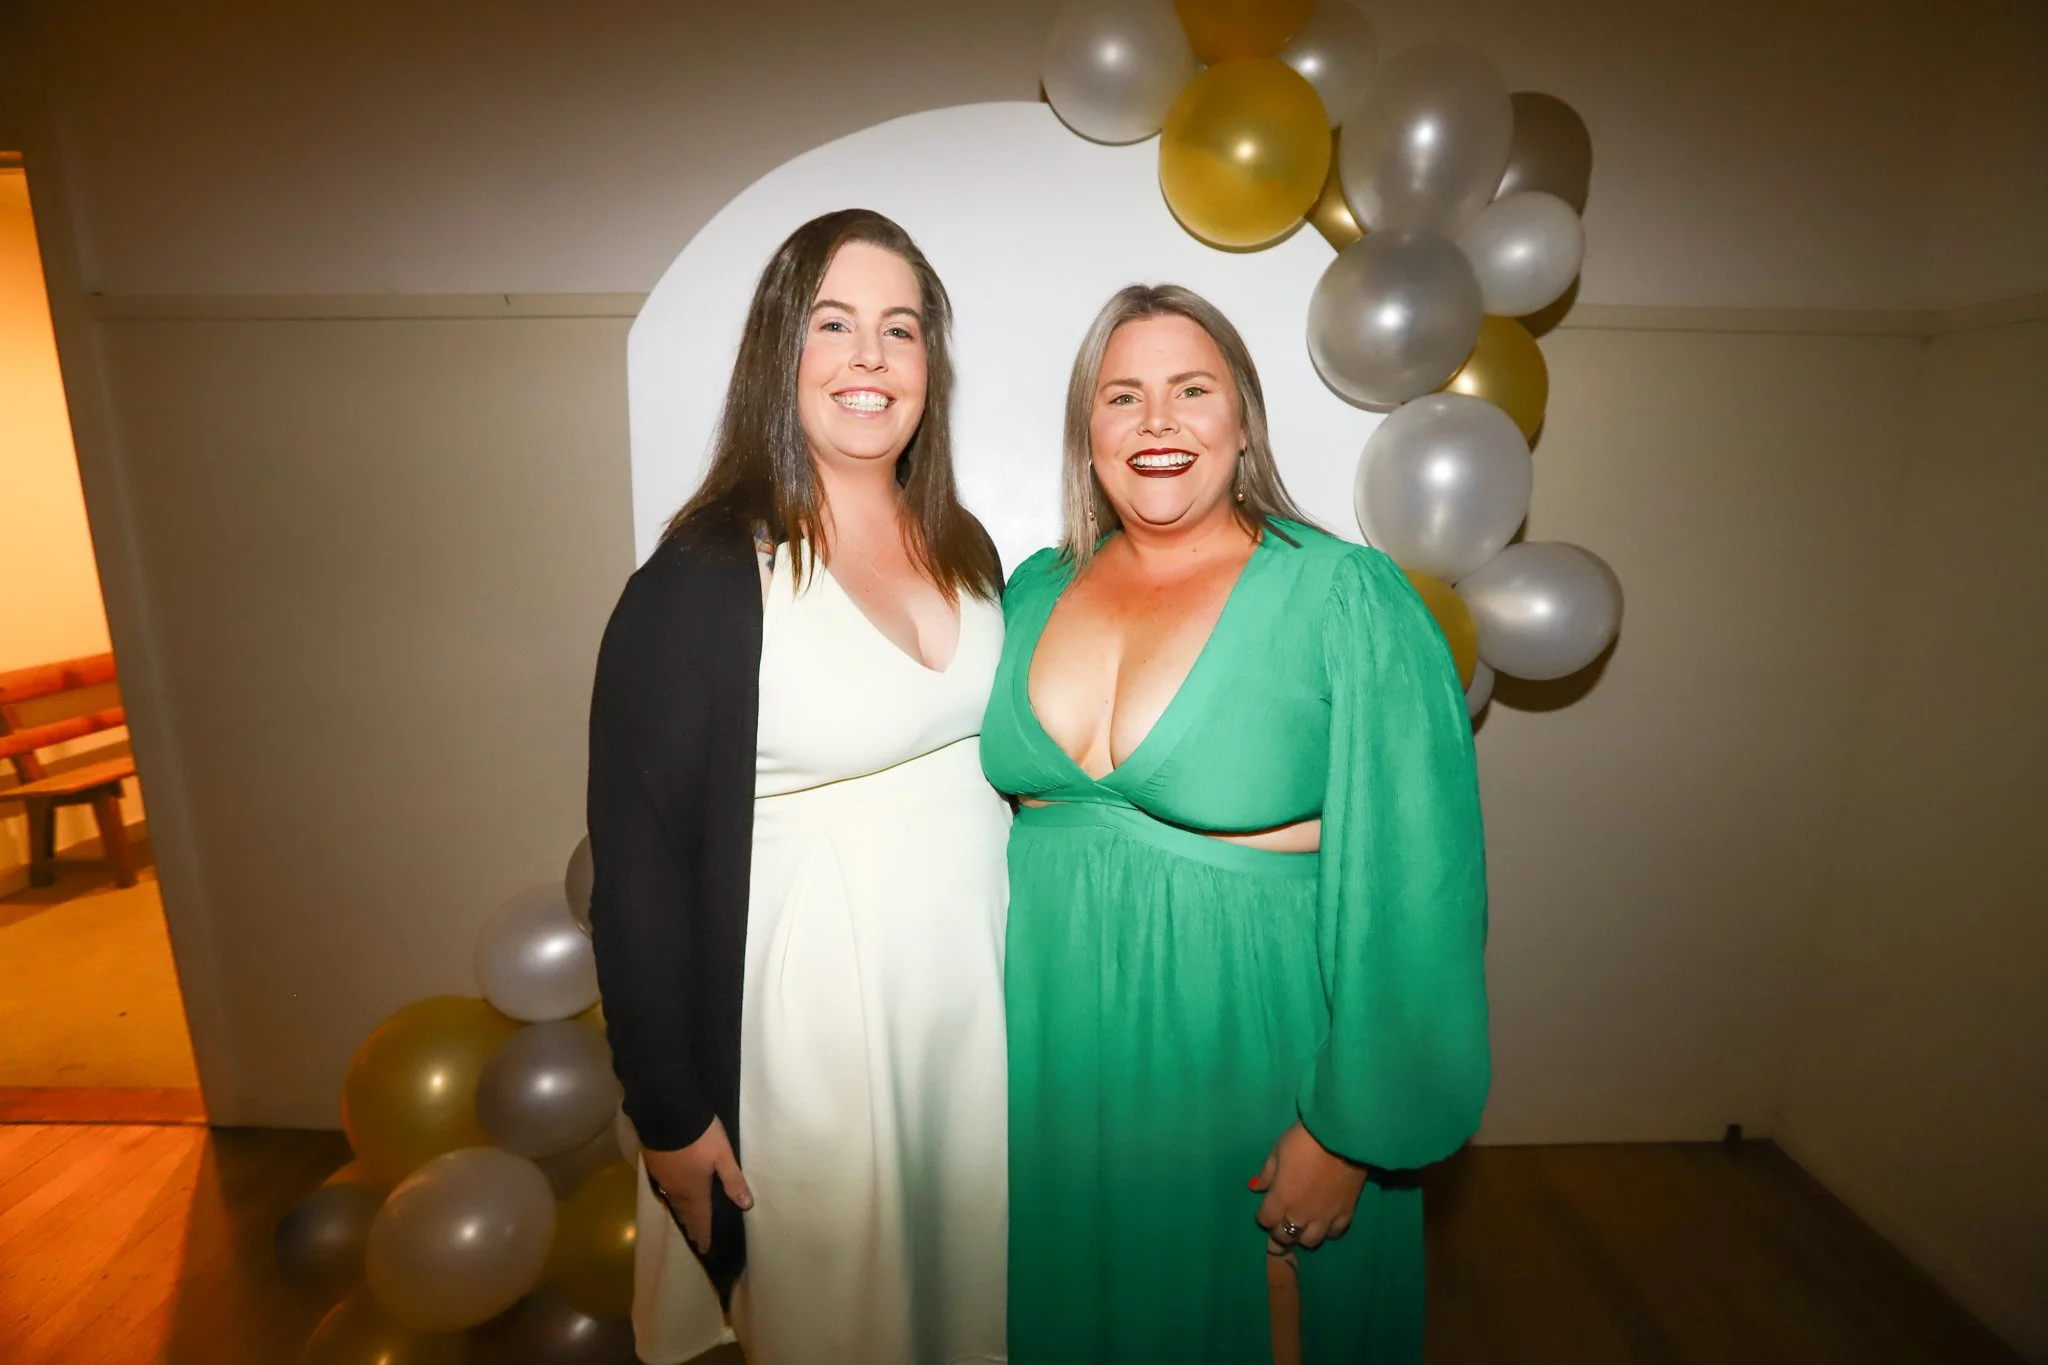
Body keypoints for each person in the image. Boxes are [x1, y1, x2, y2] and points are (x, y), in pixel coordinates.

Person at [980, 284, 1489, 1363]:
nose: (1156, 420)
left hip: (1251, 1068)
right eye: (1122, 395)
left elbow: (1419, 885)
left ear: (1243, 419)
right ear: (1087, 431)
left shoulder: (1344, 596)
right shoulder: (1029, 591)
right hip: (1055, 1071)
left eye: (1191, 390)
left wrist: (1348, 1131)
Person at [588, 208, 1010, 1365]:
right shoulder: (701, 581)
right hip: (816, 1047)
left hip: (974, 1019)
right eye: (834, 324)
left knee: (975, 1311)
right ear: (781, 350)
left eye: (900, 328)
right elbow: (637, 877)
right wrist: (669, 1115)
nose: (871, 356)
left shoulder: (968, 549)